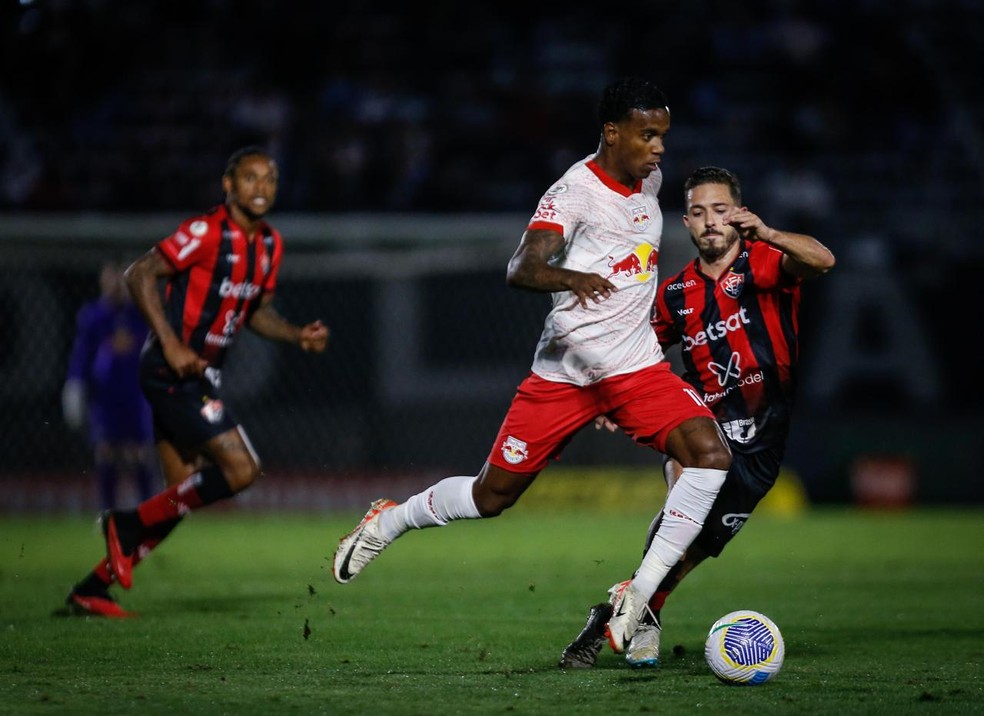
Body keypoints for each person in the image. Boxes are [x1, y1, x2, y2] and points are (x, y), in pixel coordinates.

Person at [330, 78, 734, 659]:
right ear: (611, 133)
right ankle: (389, 522)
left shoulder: (651, 180)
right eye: (647, 135)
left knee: (710, 456)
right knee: (492, 497)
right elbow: (522, 267)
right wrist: (574, 279)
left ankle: (637, 599)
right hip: (565, 374)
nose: (659, 148)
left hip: (635, 368)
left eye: (663, 135)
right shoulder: (572, 192)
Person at [558, 165, 835, 669]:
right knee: (679, 519)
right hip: (702, 424)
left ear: (739, 214)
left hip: (763, 440)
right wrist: (610, 399)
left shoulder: (768, 262)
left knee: (694, 548)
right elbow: (639, 352)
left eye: (721, 211)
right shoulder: (675, 294)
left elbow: (823, 260)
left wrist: (769, 231)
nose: (711, 222)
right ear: (686, 222)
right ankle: (625, 619)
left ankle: (638, 608)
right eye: (700, 213)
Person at [61, 146, 329, 618]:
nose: (261, 187)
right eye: (250, 178)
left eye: (270, 179)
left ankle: (92, 587)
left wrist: (295, 334)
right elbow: (139, 273)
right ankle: (123, 523)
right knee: (242, 470)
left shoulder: (269, 245)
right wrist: (170, 343)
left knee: (179, 494)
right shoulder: (206, 233)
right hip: (172, 371)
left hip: (198, 375)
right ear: (228, 185)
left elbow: (257, 311)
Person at [62, 260, 158, 511]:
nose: (116, 285)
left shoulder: (142, 315)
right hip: (105, 398)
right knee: (105, 451)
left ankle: (147, 513)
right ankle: (108, 513)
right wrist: (75, 385)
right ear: (103, 281)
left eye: (121, 278)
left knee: (139, 451)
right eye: (111, 278)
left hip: (136, 395)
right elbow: (81, 356)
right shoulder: (93, 317)